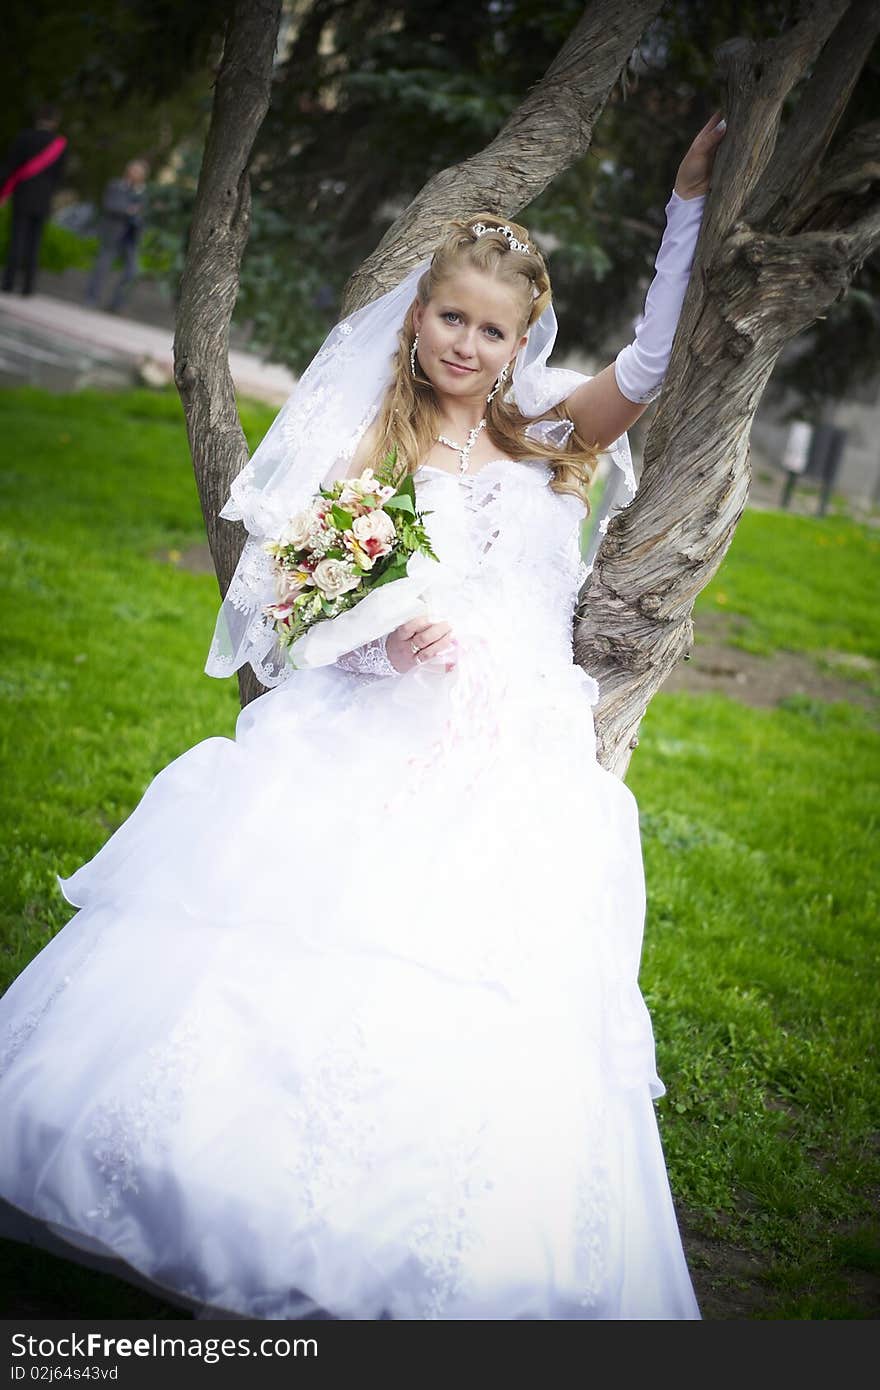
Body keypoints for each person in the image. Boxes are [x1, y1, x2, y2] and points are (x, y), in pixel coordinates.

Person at [0, 114, 725, 1320]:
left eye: (494, 330)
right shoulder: (366, 446)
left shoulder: (547, 436)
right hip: (371, 727)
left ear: (519, 341)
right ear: (416, 316)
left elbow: (649, 365)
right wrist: (382, 639)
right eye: (451, 318)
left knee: (478, 999)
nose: (468, 344)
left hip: (514, 758)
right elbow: (289, 606)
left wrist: (687, 207)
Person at [0, 104, 68, 297]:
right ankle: (28, 287)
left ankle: (8, 283)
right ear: (55, 122)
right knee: (34, 243)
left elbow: (10, 166)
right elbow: (59, 176)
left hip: (23, 195)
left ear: (37, 118)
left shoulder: (24, 138)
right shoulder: (60, 144)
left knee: (17, 239)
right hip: (43, 199)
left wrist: (3, 192)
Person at [84, 159, 150, 312]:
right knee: (102, 267)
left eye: (140, 173)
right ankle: (91, 298)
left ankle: (116, 304)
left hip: (131, 238)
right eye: (134, 171)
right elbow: (110, 205)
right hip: (112, 234)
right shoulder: (116, 186)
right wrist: (129, 210)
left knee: (133, 271)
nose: (136, 175)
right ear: (128, 171)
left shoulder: (143, 192)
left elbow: (144, 212)